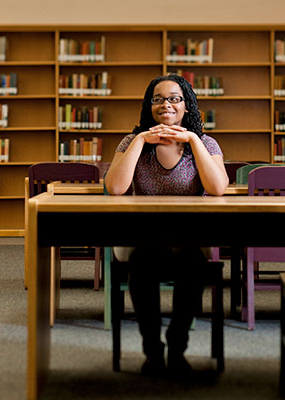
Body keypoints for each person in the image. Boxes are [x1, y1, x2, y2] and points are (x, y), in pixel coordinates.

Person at [104, 74, 229, 376]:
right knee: (142, 264)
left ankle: (177, 344)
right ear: (149, 107)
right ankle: (152, 350)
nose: (166, 105)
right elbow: (115, 188)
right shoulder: (132, 142)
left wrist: (193, 140)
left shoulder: (205, 143)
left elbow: (218, 188)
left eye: (174, 98)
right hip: (145, 237)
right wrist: (139, 141)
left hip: (189, 237)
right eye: (158, 99)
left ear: (187, 106)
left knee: (193, 264)